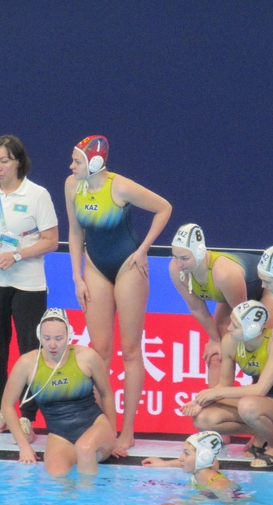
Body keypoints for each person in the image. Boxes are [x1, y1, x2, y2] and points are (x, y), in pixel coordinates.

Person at [65, 135, 172, 454]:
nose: (71, 166)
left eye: (77, 161)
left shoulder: (120, 186)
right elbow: (74, 231)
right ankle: (102, 426)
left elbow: (164, 208)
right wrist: (76, 275)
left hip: (128, 266)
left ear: (95, 163)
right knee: (99, 351)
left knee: (130, 350)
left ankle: (127, 431)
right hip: (95, 267)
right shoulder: (72, 185)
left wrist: (143, 250)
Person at [0, 135, 59, 438]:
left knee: (30, 349)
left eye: (4, 161)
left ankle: (27, 416)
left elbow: (51, 240)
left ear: (18, 161)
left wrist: (18, 254)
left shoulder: (37, 194)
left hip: (28, 284)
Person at [180, 300, 273, 469]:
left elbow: (260, 390)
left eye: (235, 326)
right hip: (255, 404)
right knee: (202, 419)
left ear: (251, 329)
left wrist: (214, 394)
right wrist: (200, 401)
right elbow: (223, 385)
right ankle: (261, 432)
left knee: (247, 405)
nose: (229, 328)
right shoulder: (230, 342)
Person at [0, 308, 117, 476]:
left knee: (84, 448)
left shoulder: (87, 357)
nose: (52, 345)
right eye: (47, 339)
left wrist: (112, 437)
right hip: (60, 435)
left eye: (58, 338)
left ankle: (89, 502)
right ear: (39, 335)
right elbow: (7, 405)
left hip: (95, 426)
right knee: (57, 477)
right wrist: (24, 446)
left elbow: (106, 394)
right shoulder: (28, 363)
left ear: (69, 335)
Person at [169, 223, 273, 385]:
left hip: (266, 290)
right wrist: (215, 340)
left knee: (262, 355)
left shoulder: (223, 274)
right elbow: (197, 308)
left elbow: (245, 317)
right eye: (175, 256)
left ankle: (260, 404)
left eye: (185, 258)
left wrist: (236, 346)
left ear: (200, 252)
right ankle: (215, 407)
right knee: (216, 354)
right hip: (234, 301)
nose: (179, 263)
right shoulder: (176, 270)